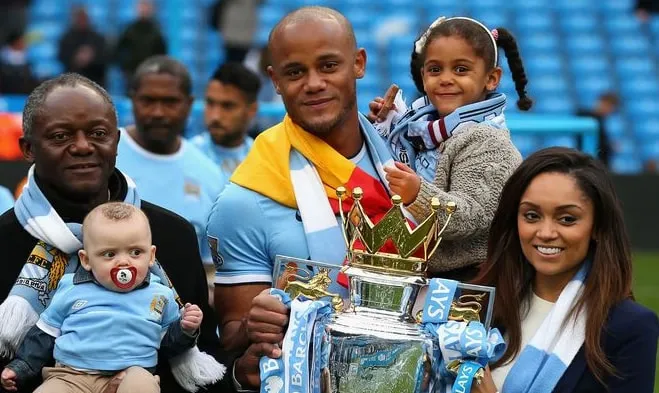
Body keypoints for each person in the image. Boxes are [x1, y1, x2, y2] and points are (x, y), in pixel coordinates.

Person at [206, 6, 404, 388]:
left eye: (329, 66)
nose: (313, 83)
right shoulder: (245, 200)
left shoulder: (408, 159)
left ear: (359, 63)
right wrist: (255, 324)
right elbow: (230, 337)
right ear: (275, 79)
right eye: (295, 72)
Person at [0, 73, 234, 393]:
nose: (82, 146)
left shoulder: (172, 235)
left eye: (98, 133)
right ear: (28, 148)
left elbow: (205, 356)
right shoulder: (4, 240)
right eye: (60, 136)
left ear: (117, 141)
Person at [470, 147, 659, 393]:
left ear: (598, 227)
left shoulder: (630, 328)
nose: (546, 233)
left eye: (567, 219)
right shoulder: (480, 305)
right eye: (531, 215)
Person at [368, 16, 531, 280]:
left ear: (491, 78)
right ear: (423, 76)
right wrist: (386, 127)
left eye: (461, 70)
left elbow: (472, 216)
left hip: (469, 281)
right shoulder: (420, 128)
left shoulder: (489, 142)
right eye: (435, 70)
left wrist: (417, 194)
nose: (445, 79)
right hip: (424, 272)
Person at [0, 202, 206, 393]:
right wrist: (21, 367)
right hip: (70, 375)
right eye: (109, 254)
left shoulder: (160, 295)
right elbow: (44, 334)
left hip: (131, 372)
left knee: (141, 385)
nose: (124, 262)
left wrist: (186, 329)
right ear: (86, 260)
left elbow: (169, 344)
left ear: (151, 256)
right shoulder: (71, 288)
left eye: (136, 252)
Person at [116, 56, 227, 272]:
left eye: (170, 102)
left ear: (189, 104)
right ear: (133, 99)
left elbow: (209, 268)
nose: (158, 113)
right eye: (148, 101)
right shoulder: (102, 155)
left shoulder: (210, 174)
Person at [190, 62, 261, 178]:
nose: (215, 116)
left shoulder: (263, 160)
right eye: (210, 103)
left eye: (228, 106)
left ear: (252, 110)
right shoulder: (189, 156)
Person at [114, 0, 166, 89]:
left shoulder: (157, 32)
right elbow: (118, 50)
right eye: (142, 6)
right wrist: (125, 69)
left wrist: (155, 71)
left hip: (150, 75)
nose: (144, 10)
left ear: (152, 10)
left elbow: (161, 55)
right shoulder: (129, 30)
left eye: (146, 7)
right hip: (131, 75)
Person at [57, 6, 108, 87]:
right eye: (79, 18)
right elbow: (62, 57)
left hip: (96, 81)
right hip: (73, 81)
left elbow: (106, 59)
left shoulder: (98, 38)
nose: (81, 21)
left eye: (84, 18)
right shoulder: (67, 38)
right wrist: (76, 58)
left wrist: (91, 58)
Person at [576, 92, 618, 169]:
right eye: (609, 106)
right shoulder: (586, 117)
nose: (609, 110)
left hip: (598, 165)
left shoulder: (601, 121)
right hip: (586, 163)